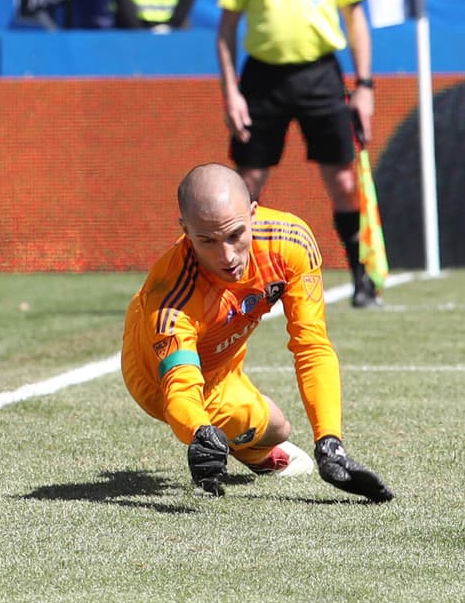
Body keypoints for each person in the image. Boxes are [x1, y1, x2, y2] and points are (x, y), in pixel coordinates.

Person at [121, 162, 394, 503]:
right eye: (207, 240)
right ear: (185, 230)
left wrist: (330, 442)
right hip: (157, 377)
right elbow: (179, 388)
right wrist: (198, 432)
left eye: (236, 235)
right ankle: (249, 452)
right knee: (256, 428)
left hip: (224, 360)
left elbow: (312, 345)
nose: (226, 256)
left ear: (253, 212)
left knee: (279, 428)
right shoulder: (170, 296)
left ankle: (240, 439)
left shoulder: (290, 243)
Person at [215, 0, 380, 308]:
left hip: (321, 75)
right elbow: (226, 29)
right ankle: (240, 282)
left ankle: (362, 277)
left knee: (344, 180)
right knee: (246, 183)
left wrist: (364, 85)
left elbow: (356, 20)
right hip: (262, 79)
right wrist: (231, 90)